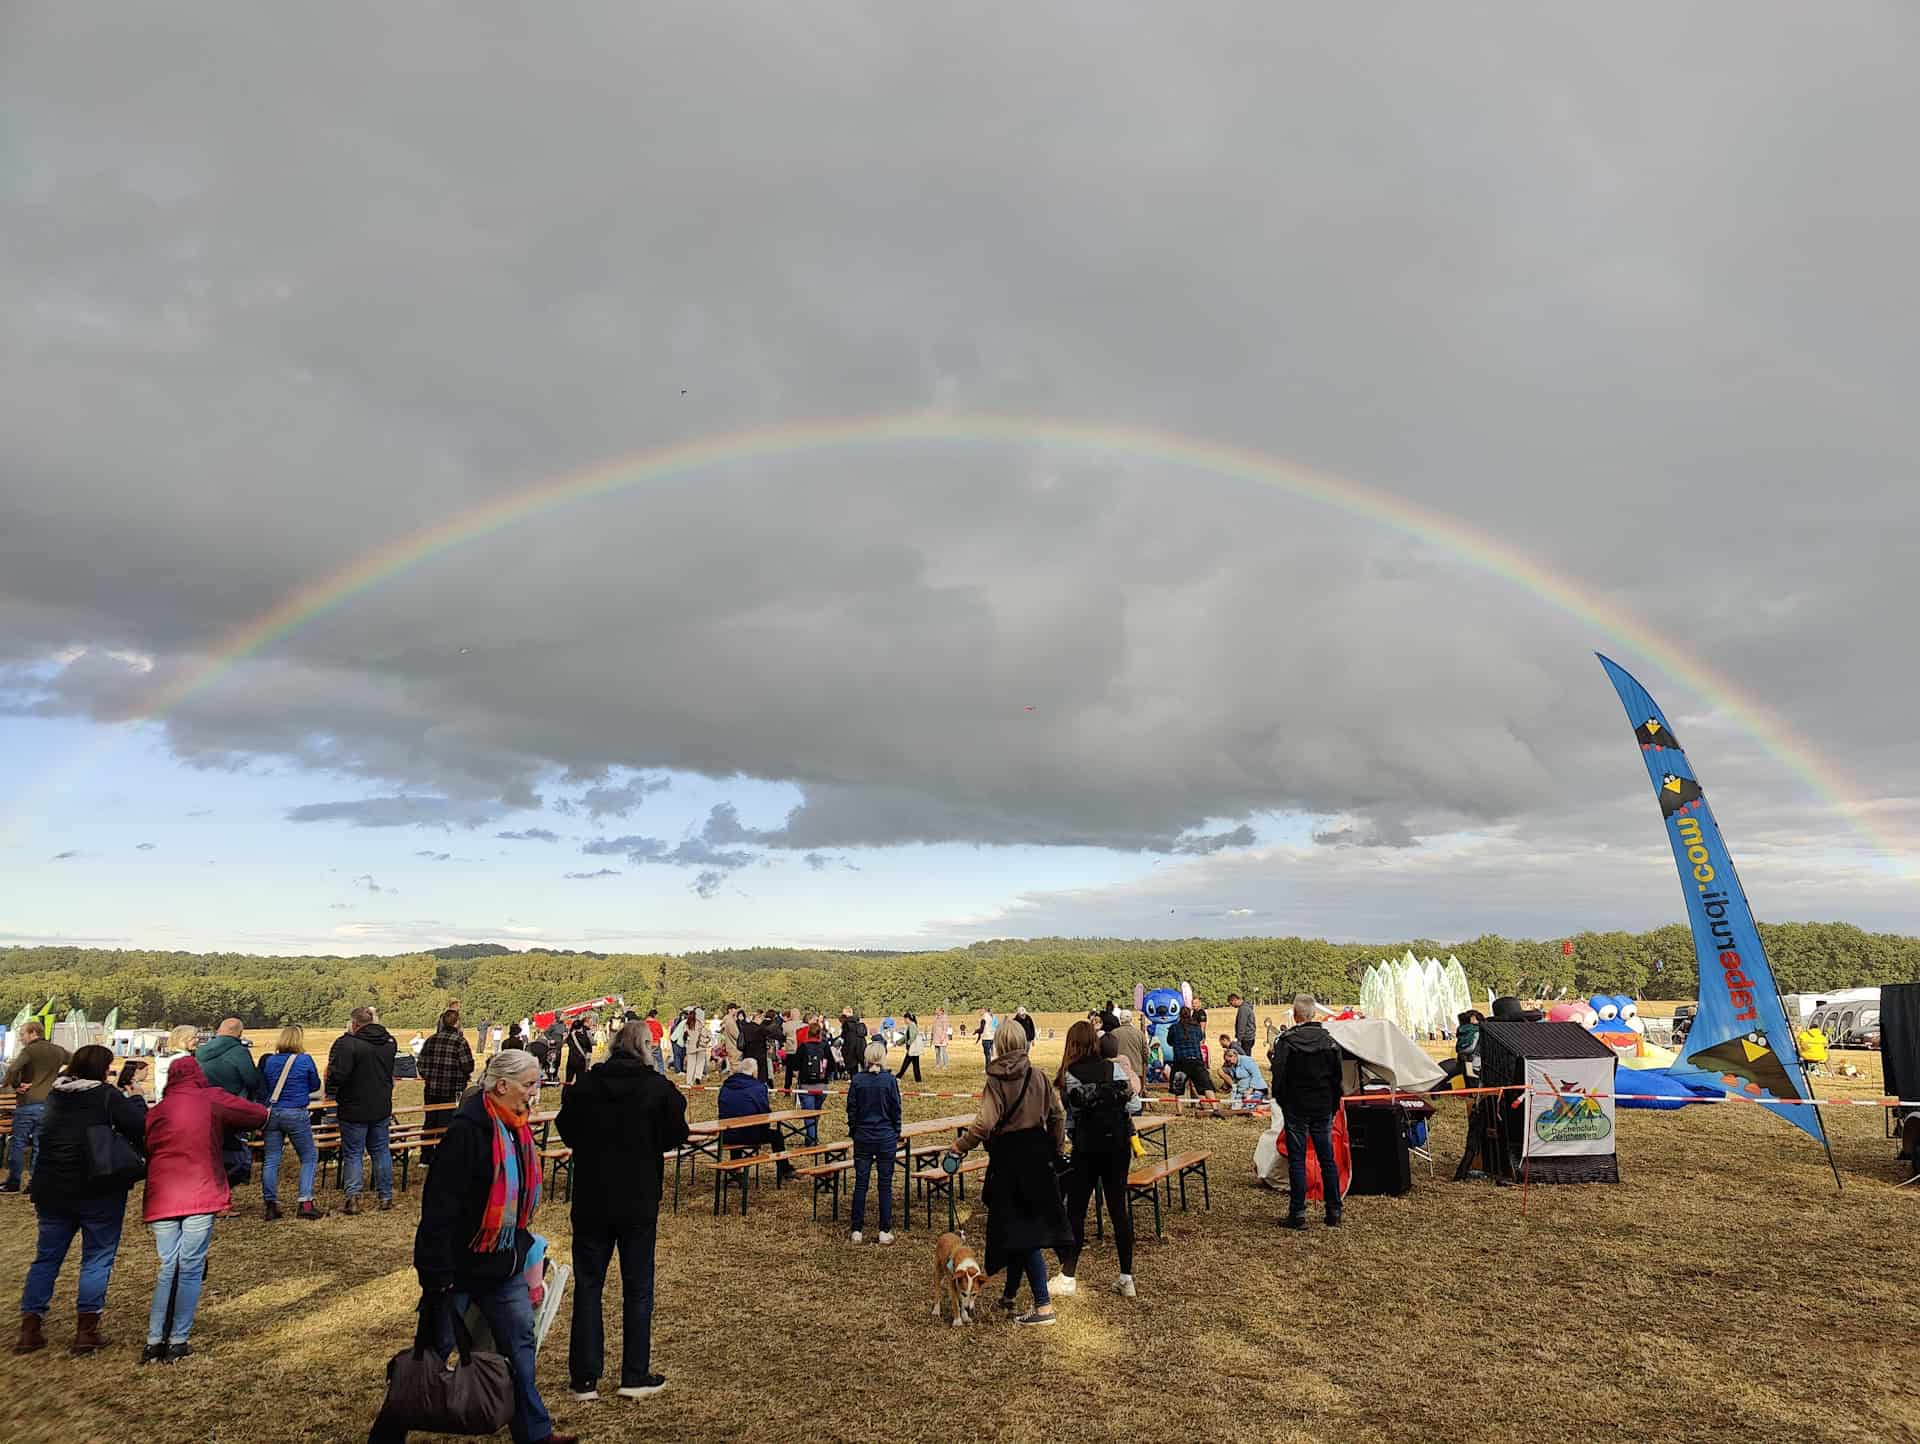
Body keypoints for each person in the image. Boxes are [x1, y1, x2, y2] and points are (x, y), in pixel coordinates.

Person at [402, 1050, 575, 1444]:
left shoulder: (515, 1125)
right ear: (502, 1085)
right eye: (529, 1085)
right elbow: (440, 1206)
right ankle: (391, 1426)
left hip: (503, 1263)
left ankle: (534, 1433)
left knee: (519, 1345)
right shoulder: (469, 1130)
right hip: (460, 1266)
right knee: (433, 1350)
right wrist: (436, 1273)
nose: (535, 1093)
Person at [556, 1021, 688, 1402]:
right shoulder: (657, 1089)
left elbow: (568, 1130)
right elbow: (677, 1134)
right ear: (645, 1047)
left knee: (589, 1287)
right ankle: (633, 1374)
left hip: (592, 1198)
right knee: (638, 1289)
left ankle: (584, 1378)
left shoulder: (586, 1087)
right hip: (638, 1200)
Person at [15, 1044, 147, 1357]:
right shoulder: (105, 1095)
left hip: (51, 1187)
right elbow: (139, 1126)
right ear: (103, 1069)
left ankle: (30, 1328)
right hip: (97, 1186)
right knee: (97, 1257)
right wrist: (138, 1098)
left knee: (46, 1258)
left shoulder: (55, 1093)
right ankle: (86, 1330)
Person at [140, 1056, 268, 1362]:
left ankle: (155, 1339)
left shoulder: (159, 1109)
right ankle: (178, 1340)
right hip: (199, 1186)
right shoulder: (211, 1099)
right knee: (191, 1266)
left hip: (164, 1192)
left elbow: (147, 1144)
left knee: (168, 1265)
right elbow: (257, 1114)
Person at [946, 1022, 1068, 1326]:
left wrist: (960, 1147)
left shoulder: (996, 1082)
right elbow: (1058, 1115)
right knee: (1020, 1229)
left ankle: (1043, 1306)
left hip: (1009, 1159)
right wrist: (1055, 1146)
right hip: (1038, 1157)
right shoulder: (1038, 1076)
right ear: (1025, 1043)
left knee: (1023, 1234)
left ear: (999, 1045)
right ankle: (1010, 1295)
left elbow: (984, 1124)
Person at [1052, 1025, 1138, 1300]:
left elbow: (1071, 1116)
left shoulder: (1070, 1074)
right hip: (1118, 1146)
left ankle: (1068, 1275)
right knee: (1118, 1210)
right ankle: (1127, 1277)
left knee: (1076, 1210)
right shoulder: (1113, 1069)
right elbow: (1134, 1105)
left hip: (1087, 1148)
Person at [1269, 993, 1345, 1230]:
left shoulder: (1287, 1041)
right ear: (1314, 1013)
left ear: (1295, 1014)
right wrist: (1332, 1104)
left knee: (1298, 1160)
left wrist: (1283, 1101)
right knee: (1327, 1159)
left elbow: (1278, 1077)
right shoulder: (1330, 1041)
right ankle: (1334, 1211)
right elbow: (1337, 1078)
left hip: (1297, 1106)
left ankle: (1298, 1214)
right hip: (1323, 1105)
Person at [326, 1005, 397, 1215]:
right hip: (381, 1104)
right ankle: (385, 1196)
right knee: (381, 1151)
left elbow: (338, 1074)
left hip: (353, 1106)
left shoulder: (348, 1044)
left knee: (353, 1153)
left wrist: (333, 1091)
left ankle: (353, 1197)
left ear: (355, 1024)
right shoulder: (389, 1042)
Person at [258, 1027, 325, 1221]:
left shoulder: (270, 1061)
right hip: (295, 1112)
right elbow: (314, 1085)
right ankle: (305, 1201)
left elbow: (265, 1085)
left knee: (271, 1159)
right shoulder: (305, 1060)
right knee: (309, 1156)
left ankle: (270, 1203)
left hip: (273, 1112)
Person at [195, 1018, 263, 1188]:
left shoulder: (200, 1052)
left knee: (214, 1151)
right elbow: (252, 1080)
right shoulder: (240, 1052)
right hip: (232, 1105)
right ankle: (224, 1192)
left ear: (219, 1030)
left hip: (205, 1107)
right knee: (236, 1154)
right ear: (239, 1032)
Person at [3, 1021, 69, 1193]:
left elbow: (12, 1069)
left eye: (22, 1034)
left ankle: (14, 1182)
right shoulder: (58, 1050)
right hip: (49, 1104)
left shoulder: (30, 1050)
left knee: (18, 1142)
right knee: (40, 1144)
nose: (20, 1038)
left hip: (28, 1102)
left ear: (33, 1033)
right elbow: (76, 1061)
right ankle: (35, 1183)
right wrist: (60, 1077)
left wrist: (15, 1084)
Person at [846, 1040, 902, 1245]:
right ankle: (884, 1229)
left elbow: (851, 1108)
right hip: (885, 1136)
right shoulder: (889, 1081)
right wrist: (896, 1130)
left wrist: (854, 1130)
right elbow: (896, 1108)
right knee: (884, 1185)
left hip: (863, 1136)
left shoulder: (857, 1080)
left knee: (861, 1183)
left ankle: (857, 1229)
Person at [417, 1010, 476, 1150]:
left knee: (430, 1121)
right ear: (457, 1023)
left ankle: (426, 1156)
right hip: (453, 1089)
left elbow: (420, 1063)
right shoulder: (460, 1042)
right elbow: (468, 1066)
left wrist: (429, 1077)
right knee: (449, 1121)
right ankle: (445, 1153)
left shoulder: (431, 1040)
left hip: (431, 1089)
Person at [790, 1018, 831, 1145]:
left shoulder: (803, 1047)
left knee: (809, 1114)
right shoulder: (825, 1047)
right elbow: (832, 1066)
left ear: (808, 1033)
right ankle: (813, 1137)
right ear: (820, 1033)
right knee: (816, 1113)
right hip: (822, 1086)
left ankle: (811, 1140)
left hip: (806, 1085)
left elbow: (794, 1065)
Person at [1166, 1007, 1213, 1100]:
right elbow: (1200, 1038)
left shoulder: (1174, 1027)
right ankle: (1215, 1107)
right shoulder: (1196, 1027)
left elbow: (1169, 1042)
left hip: (1180, 1061)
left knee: (1178, 1088)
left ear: (1179, 1015)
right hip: (1196, 1059)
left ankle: (1179, 1111)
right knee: (1206, 1085)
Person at [838, 1009, 868, 1084]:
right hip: (861, 1044)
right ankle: (866, 1077)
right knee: (863, 1062)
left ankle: (854, 1078)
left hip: (851, 1044)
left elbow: (843, 1035)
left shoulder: (846, 1023)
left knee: (852, 1062)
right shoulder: (859, 1023)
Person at [565, 1018, 595, 1088]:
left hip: (571, 1061)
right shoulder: (583, 1035)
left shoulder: (570, 1036)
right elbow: (589, 1047)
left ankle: (566, 1093)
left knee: (568, 1081)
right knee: (581, 1081)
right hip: (581, 1061)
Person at [895, 1012, 923, 1084]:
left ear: (907, 1019)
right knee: (915, 1065)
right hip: (914, 1049)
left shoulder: (911, 1025)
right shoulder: (912, 1025)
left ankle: (898, 1077)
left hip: (912, 1049)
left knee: (905, 1064)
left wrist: (909, 1043)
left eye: (904, 1019)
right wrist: (898, 1042)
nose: (904, 1021)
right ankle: (918, 1080)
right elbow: (905, 1037)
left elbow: (913, 1036)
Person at [686, 1009, 712, 1086]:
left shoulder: (687, 1024)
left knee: (691, 1064)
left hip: (691, 1046)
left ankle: (689, 1081)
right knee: (700, 1063)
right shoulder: (700, 1024)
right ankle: (697, 1076)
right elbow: (706, 1034)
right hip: (701, 1045)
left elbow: (685, 1035)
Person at [1231, 993, 1256, 1057]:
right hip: (1250, 1037)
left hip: (1245, 1038)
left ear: (1235, 1000)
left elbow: (1241, 1026)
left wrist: (1239, 1039)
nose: (1232, 1006)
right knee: (1247, 1056)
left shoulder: (1243, 1009)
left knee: (1245, 1057)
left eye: (1231, 1003)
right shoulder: (1247, 1006)